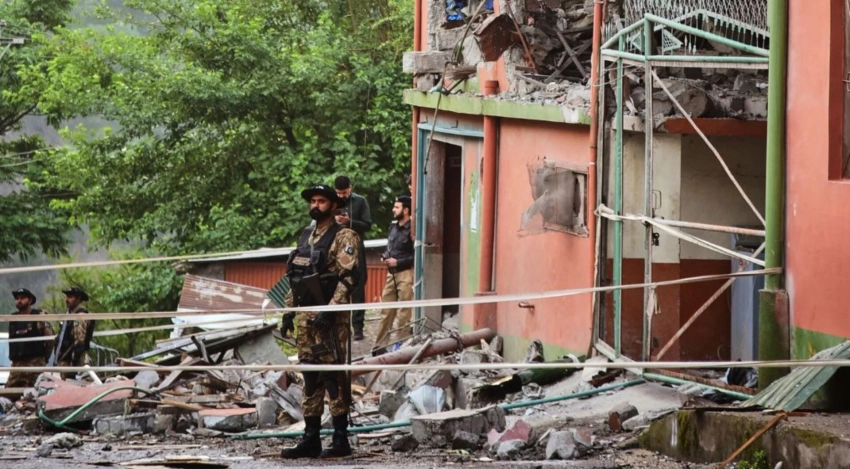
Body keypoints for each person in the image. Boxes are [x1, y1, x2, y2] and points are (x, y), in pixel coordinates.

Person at [279, 184, 360, 459]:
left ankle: (340, 439)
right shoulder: (306, 236)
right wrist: (288, 313)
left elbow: (349, 278)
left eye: (321, 201)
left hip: (331, 321)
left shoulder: (344, 236)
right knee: (310, 376)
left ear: (333, 205)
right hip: (306, 318)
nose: (315, 205)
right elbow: (297, 279)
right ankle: (310, 438)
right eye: (312, 201)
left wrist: (330, 310)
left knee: (333, 375)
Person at [373, 195, 415, 353]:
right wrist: (386, 256)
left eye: (397, 207)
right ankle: (380, 346)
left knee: (404, 313)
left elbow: (417, 255)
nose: (393, 209)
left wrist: (398, 262)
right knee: (386, 311)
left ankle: (400, 346)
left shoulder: (412, 229)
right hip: (391, 274)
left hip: (405, 273)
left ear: (405, 210)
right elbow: (389, 247)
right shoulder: (393, 227)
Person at [333, 176, 372, 341]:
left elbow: (367, 224)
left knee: (358, 287)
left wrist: (350, 222)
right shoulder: (332, 202)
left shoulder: (360, 201)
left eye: (344, 192)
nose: (342, 196)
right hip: (336, 249)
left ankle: (358, 327)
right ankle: (339, 325)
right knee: (336, 286)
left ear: (351, 188)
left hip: (356, 249)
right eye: (339, 193)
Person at [7, 288, 54, 388]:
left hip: (35, 364)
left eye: (22, 298)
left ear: (30, 300)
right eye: (17, 298)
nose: (19, 301)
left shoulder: (39, 317)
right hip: (17, 366)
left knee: (35, 392)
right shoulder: (13, 319)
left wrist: (43, 358)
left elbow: (50, 340)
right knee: (8, 392)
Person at [53, 287, 95, 379]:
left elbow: (79, 342)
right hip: (64, 359)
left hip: (74, 361)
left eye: (70, 297)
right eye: (67, 297)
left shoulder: (80, 316)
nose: (67, 300)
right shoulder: (69, 314)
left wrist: (74, 367)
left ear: (79, 299)